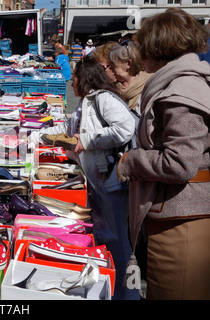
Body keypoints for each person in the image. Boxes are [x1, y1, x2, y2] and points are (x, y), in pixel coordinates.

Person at [116, 8, 210, 300]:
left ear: (158, 46)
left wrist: (130, 162)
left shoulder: (182, 90)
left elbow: (180, 163)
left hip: (182, 220)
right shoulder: (179, 83)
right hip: (176, 214)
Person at [29, 57, 139, 300]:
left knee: (119, 242)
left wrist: (87, 141)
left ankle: (128, 294)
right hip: (97, 181)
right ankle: (109, 288)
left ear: (85, 78)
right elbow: (68, 133)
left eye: (74, 77)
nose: (71, 81)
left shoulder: (103, 99)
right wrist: (35, 137)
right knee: (105, 237)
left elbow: (125, 127)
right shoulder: (84, 104)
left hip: (112, 181)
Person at [108, 41, 151, 113]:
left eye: (113, 63)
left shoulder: (150, 84)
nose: (110, 67)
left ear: (128, 64)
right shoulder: (111, 90)